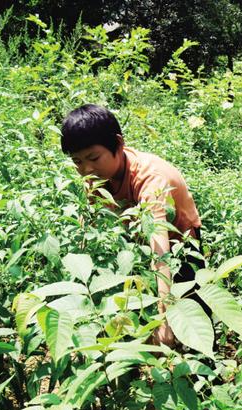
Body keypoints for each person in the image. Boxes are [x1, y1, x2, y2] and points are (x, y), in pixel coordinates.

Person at [60, 104, 204, 348]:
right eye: (77, 161)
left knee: (192, 311)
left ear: (118, 143)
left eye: (93, 158)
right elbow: (94, 222)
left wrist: (164, 315)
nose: (86, 169)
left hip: (181, 245)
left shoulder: (152, 179)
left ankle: (205, 365)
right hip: (135, 244)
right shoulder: (94, 177)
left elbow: (161, 250)